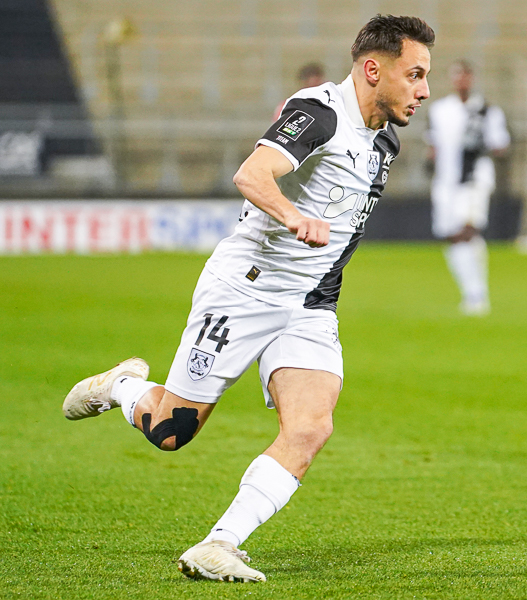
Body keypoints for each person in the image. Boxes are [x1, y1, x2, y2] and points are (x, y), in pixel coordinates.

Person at [61, 15, 433, 584]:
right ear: (373, 68)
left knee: (311, 427)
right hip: (245, 290)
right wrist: (293, 216)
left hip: (308, 305)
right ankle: (122, 386)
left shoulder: (385, 141)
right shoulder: (320, 113)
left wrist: (321, 286)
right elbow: (252, 175)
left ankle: (218, 544)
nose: (423, 90)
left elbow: (346, 227)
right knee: (171, 432)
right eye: (414, 75)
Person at [425, 60, 509, 315]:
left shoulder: (486, 111)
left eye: (466, 75)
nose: (461, 80)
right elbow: (433, 146)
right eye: (457, 75)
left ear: (472, 78)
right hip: (445, 182)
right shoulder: (440, 110)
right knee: (452, 237)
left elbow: (501, 145)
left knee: (467, 231)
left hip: (474, 179)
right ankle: (472, 293)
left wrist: (480, 144)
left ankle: (477, 295)